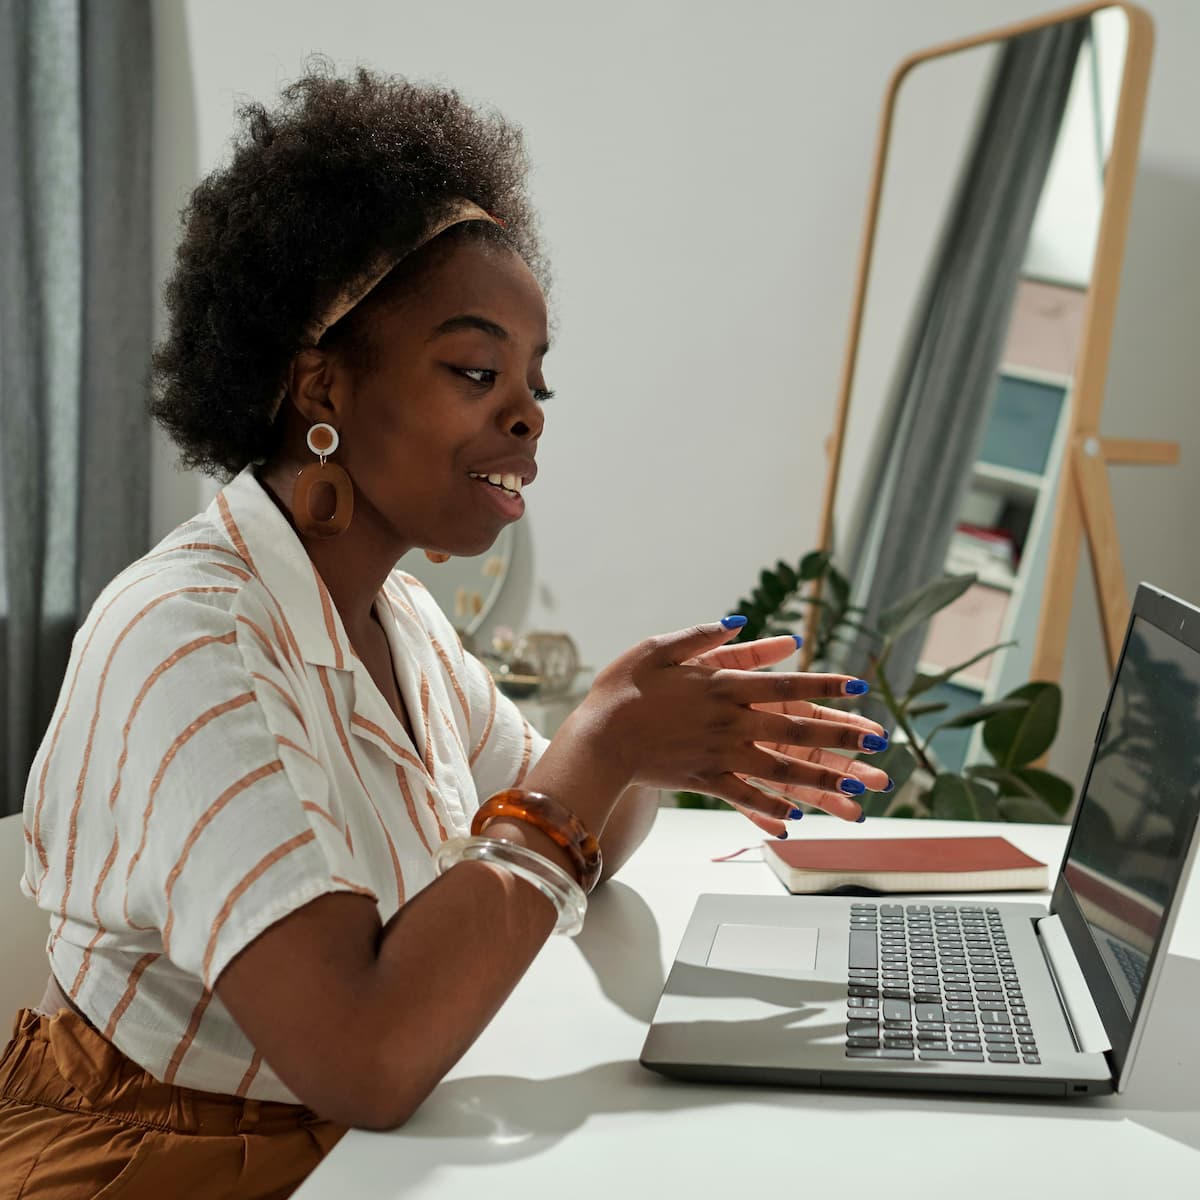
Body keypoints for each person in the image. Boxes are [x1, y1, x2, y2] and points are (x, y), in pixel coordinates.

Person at [0, 65, 890, 1198]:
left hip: (343, 1149)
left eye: (536, 383)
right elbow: (364, 1058)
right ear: (321, 388)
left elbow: (581, 846)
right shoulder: (191, 639)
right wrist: (600, 748)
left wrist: (653, 744)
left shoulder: (400, 624)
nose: (525, 413)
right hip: (156, 1157)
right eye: (476, 370)